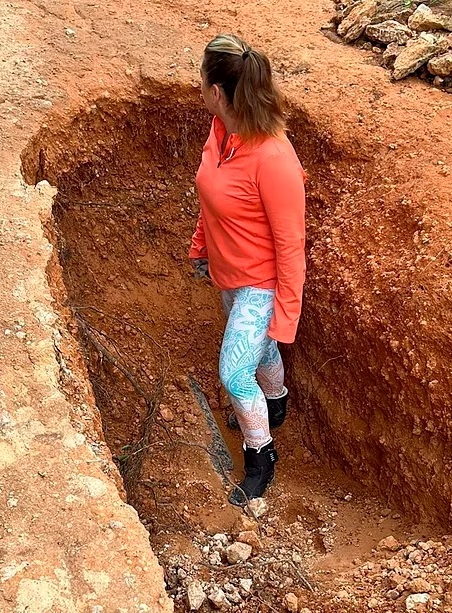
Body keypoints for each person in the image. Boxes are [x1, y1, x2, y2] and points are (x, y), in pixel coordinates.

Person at [189, 33, 307, 506]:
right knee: (259, 353)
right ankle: (276, 403)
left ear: (217, 92)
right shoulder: (222, 132)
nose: (198, 87)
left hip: (259, 282)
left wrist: (285, 316)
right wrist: (200, 246)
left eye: (201, 80)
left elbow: (291, 246)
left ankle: (261, 458)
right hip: (228, 276)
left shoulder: (274, 159)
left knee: (236, 372)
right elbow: (211, 194)